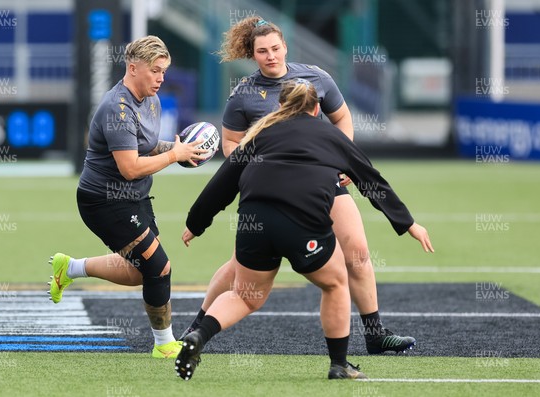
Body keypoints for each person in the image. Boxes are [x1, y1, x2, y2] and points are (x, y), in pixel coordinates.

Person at [180, 16, 434, 355]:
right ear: (252, 55)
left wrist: (339, 158)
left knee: (357, 252)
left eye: (274, 48)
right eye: (262, 51)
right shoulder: (243, 93)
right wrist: (258, 172)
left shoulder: (316, 78)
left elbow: (342, 118)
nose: (270, 56)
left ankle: (375, 333)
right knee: (237, 269)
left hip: (320, 181)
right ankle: (197, 327)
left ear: (285, 46)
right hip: (272, 190)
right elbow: (231, 146)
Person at [48, 35, 206, 359]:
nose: (161, 78)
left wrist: (182, 150)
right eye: (155, 71)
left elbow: (145, 147)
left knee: (139, 272)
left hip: (134, 197)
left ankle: (70, 268)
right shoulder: (117, 109)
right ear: (133, 68)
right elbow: (131, 167)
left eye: (164, 71)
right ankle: (164, 344)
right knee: (159, 267)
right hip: (103, 200)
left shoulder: (152, 99)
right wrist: (174, 156)